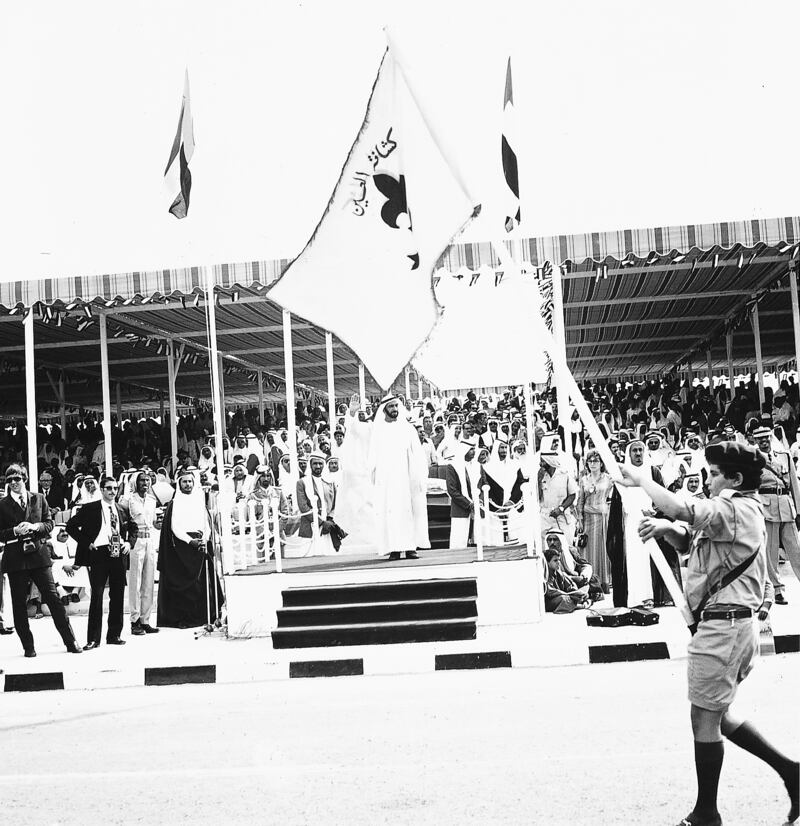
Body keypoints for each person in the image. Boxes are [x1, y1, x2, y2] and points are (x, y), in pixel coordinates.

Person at [619, 441, 799, 826]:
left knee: (704, 719)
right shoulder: (731, 510)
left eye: (716, 473)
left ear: (735, 478)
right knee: (718, 715)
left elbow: (684, 508)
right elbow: (691, 537)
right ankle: (792, 773)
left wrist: (641, 480)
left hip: (725, 627)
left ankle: (706, 814)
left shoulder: (737, 508)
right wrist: (667, 529)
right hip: (723, 626)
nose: (710, 478)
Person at [0, 463, 83, 656]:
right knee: (19, 604)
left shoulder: (38, 499)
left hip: (38, 556)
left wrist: (35, 527)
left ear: (25, 479)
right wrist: (14, 531)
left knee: (54, 599)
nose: (14, 483)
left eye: (17, 479)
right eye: (10, 480)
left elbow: (49, 523)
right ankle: (28, 647)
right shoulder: (2, 505)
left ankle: (70, 641)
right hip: (16, 559)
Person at [65, 475, 137, 649]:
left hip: (118, 553)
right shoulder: (91, 508)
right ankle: (93, 639)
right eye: (109, 488)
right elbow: (71, 526)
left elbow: (133, 527)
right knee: (96, 595)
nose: (112, 491)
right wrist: (86, 542)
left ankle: (114, 635)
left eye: (115, 488)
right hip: (99, 552)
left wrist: (128, 543)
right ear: (102, 490)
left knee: (118, 595)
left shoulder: (121, 508)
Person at [365, 394, 430, 561]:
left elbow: (418, 455)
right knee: (390, 512)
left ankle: (410, 548)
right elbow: (372, 456)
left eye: (396, 406)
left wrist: (418, 477)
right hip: (386, 481)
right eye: (391, 407)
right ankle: (393, 549)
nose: (394, 409)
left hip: (407, 479)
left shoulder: (407, 429)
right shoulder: (378, 430)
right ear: (384, 409)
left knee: (408, 511)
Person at [157, 469, 220, 629]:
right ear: (179, 484)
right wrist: (190, 541)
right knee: (185, 584)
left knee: (203, 583)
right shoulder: (175, 502)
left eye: (190, 481)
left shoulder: (199, 501)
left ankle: (205, 616)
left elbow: (206, 524)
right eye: (184, 481)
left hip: (201, 544)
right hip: (182, 547)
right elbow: (175, 527)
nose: (188, 484)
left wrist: (204, 539)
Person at [753, 425, 800, 606]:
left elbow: (794, 485)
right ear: (755, 441)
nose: (764, 441)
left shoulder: (784, 456)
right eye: (760, 439)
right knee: (770, 551)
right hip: (766, 508)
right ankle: (777, 589)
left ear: (771, 438)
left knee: (796, 549)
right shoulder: (752, 459)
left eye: (766, 438)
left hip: (786, 506)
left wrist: (799, 510)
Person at [119, 471, 159, 636]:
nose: (145, 483)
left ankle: (145, 619)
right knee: (135, 582)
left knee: (148, 581)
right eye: (142, 480)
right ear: (135, 482)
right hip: (135, 541)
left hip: (149, 539)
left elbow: (153, 522)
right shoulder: (127, 499)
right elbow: (123, 521)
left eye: (147, 480)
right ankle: (134, 620)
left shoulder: (151, 500)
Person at [292, 453, 345, 557]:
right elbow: (303, 507)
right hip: (310, 526)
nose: (317, 466)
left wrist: (329, 520)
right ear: (310, 465)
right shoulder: (302, 482)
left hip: (328, 527)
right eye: (315, 464)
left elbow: (335, 504)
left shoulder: (330, 482)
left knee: (329, 558)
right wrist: (321, 522)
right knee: (308, 558)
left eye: (320, 464)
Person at [575, 450, 613, 593]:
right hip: (588, 517)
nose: (593, 464)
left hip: (603, 517)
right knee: (587, 548)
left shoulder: (608, 479)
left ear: (601, 463)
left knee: (602, 549)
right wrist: (579, 520)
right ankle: (589, 581)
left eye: (596, 461)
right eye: (590, 461)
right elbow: (580, 501)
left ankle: (604, 581)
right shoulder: (584, 479)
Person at [446, 442, 476, 548]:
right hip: (461, 507)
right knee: (459, 542)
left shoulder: (475, 466)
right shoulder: (452, 467)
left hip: (478, 506)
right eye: (471, 449)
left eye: (474, 449)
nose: (474, 452)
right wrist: (468, 504)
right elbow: (452, 490)